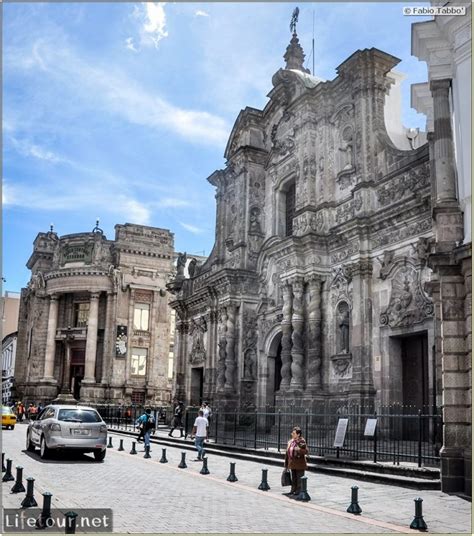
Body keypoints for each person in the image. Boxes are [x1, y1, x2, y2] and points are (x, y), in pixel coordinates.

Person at [283, 426, 308, 498]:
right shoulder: (291, 442)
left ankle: (299, 491)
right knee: (293, 478)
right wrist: (286, 464)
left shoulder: (302, 441)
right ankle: (293, 490)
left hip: (299, 464)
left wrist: (299, 450)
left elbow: (306, 451)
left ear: (298, 434)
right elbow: (287, 453)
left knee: (299, 478)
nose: (292, 434)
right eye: (292, 433)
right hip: (292, 464)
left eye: (294, 433)